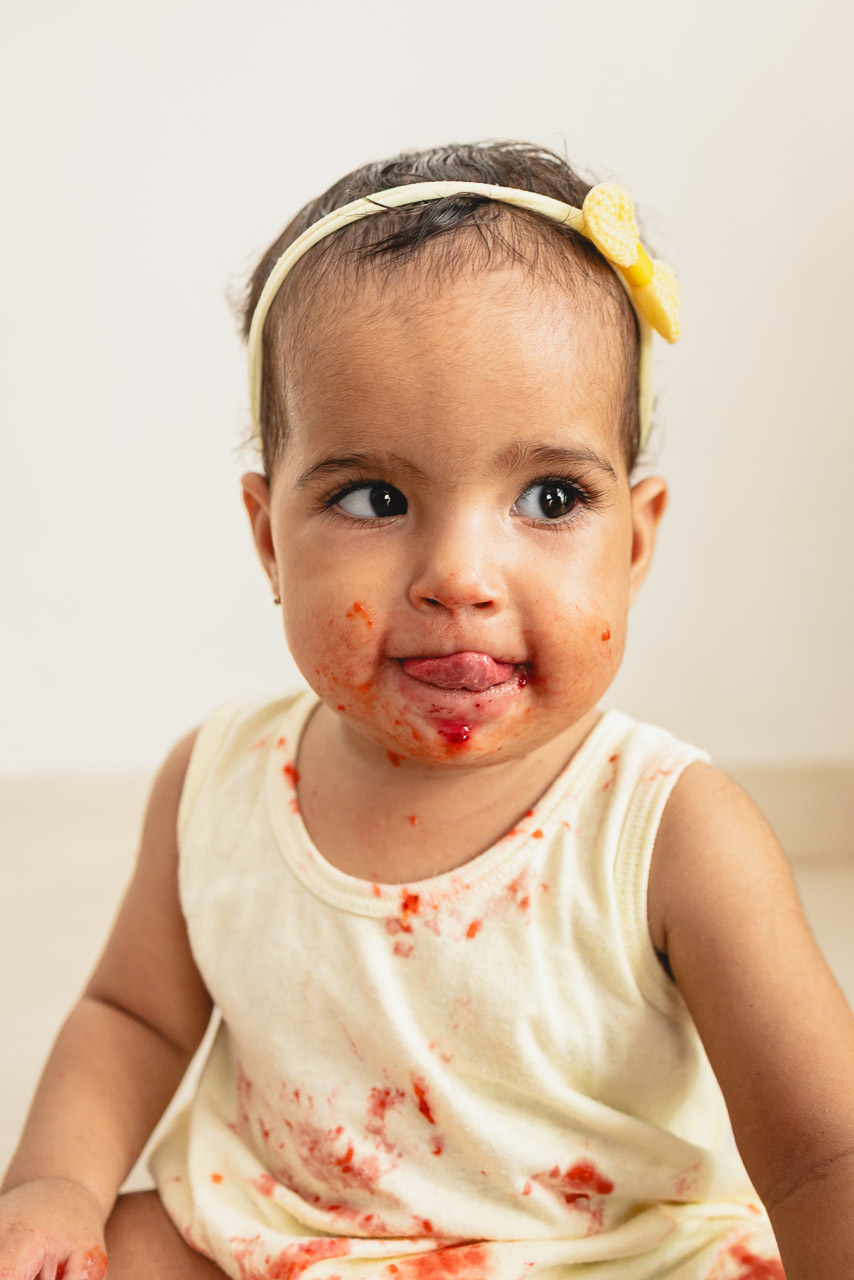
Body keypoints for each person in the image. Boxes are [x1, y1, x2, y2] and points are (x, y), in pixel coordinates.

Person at [1, 140, 852, 1280]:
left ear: (635, 538)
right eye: (373, 496)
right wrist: (53, 1187)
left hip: (601, 1255)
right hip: (277, 1231)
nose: (458, 574)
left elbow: (821, 1153)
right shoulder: (217, 782)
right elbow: (131, 1016)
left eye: (548, 497)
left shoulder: (667, 830)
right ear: (267, 535)